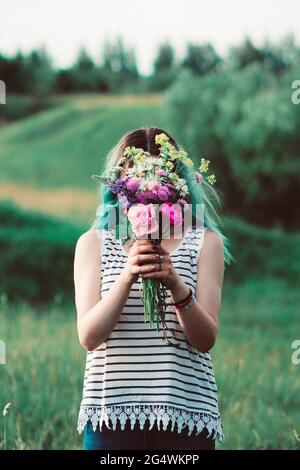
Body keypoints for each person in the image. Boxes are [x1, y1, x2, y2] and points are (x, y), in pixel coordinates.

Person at [74, 127, 234, 450]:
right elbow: (89, 336)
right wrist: (127, 275)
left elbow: (206, 339)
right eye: (135, 185)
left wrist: (176, 284)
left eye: (157, 181)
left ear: (176, 184)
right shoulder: (93, 244)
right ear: (119, 186)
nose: (145, 192)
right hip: (112, 419)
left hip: (185, 416)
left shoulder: (205, 242)